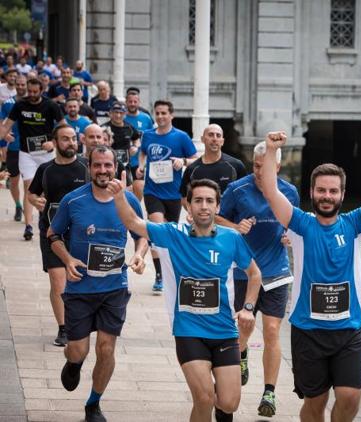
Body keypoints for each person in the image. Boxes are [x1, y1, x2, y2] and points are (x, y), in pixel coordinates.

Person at [260, 131, 361, 422]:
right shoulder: (299, 224)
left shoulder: (355, 224)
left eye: (333, 191)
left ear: (342, 195)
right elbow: (270, 191)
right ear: (312, 193)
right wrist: (271, 150)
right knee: (316, 401)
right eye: (321, 190)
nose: (327, 196)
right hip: (309, 330)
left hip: (348, 330)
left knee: (350, 396)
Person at [107, 177, 261, 422]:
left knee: (229, 403)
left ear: (218, 207)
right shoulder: (174, 233)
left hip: (224, 330)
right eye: (198, 200)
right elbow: (133, 223)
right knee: (204, 398)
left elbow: (255, 274)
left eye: (210, 201)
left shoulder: (231, 238)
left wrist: (248, 308)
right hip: (189, 331)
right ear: (188, 206)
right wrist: (118, 197)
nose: (204, 206)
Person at [48, 145, 148, 422]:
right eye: (97, 166)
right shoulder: (73, 200)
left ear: (115, 167)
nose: (103, 171)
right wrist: (67, 260)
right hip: (80, 287)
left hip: (114, 287)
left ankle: (93, 404)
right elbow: (53, 234)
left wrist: (139, 256)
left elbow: (142, 234)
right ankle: (74, 361)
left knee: (106, 347)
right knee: (78, 349)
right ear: (88, 167)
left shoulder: (128, 200)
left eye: (108, 165)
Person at [216, 141, 299, 418]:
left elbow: (295, 225)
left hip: (276, 271)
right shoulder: (237, 190)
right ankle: (240, 358)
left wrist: (291, 237)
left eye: (266, 168)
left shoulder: (289, 192)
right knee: (243, 327)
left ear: (278, 166)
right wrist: (235, 226)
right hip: (244, 271)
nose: (260, 172)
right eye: (256, 166)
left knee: (273, 331)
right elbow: (216, 219)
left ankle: (269, 392)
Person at [27, 123, 90, 347]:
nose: (70, 143)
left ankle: (82, 322)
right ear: (55, 143)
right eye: (65, 139)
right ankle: (64, 328)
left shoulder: (86, 166)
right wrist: (36, 201)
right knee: (57, 281)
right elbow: (32, 194)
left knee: (81, 281)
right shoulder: (45, 169)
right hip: (52, 233)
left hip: (82, 235)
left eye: (73, 138)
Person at [137, 99, 197, 293]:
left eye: (164, 113)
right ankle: (159, 275)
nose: (161, 116)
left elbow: (195, 159)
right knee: (156, 230)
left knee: (170, 234)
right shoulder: (147, 135)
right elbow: (143, 153)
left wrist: (183, 161)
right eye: (158, 113)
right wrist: (141, 165)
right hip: (152, 191)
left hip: (173, 193)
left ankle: (170, 271)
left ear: (171, 115)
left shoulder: (181, 137)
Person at [0, 77, 64, 240]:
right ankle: (28, 226)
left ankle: (48, 220)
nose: (33, 95)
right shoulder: (20, 105)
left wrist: (53, 142)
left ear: (42, 90)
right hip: (26, 153)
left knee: (47, 189)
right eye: (30, 91)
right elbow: (6, 125)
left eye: (36, 92)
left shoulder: (51, 105)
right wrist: (4, 135)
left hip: (46, 153)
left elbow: (64, 126)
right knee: (30, 188)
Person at [180, 124, 246, 199]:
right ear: (202, 139)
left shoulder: (236, 165)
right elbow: (184, 197)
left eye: (218, 135)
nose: (214, 139)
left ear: (222, 141)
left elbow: (244, 193)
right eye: (210, 135)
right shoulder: (192, 169)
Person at [0, 73, 27, 222]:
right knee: (15, 181)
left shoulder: (33, 102)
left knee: (30, 182)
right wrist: (4, 135)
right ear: (15, 85)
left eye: (24, 84)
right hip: (14, 148)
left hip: (31, 149)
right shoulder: (8, 103)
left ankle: (28, 210)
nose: (21, 87)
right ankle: (18, 206)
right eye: (19, 84)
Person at [124, 89, 153, 200]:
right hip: (124, 161)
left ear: (139, 102)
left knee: (139, 188)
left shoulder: (146, 118)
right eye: (130, 101)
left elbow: (151, 137)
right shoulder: (122, 117)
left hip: (139, 160)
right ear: (126, 102)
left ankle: (136, 212)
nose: (132, 104)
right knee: (126, 190)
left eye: (135, 101)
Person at [82, 123, 133, 187]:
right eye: (91, 137)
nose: (95, 140)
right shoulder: (76, 161)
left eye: (98, 137)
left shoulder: (117, 163)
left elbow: (128, 188)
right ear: (83, 139)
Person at [101, 101, 140, 168]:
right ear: (111, 113)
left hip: (125, 164)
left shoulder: (129, 128)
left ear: (125, 114)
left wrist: (135, 147)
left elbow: (136, 138)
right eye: (116, 112)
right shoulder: (103, 128)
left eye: (121, 113)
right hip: (107, 163)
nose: (118, 115)